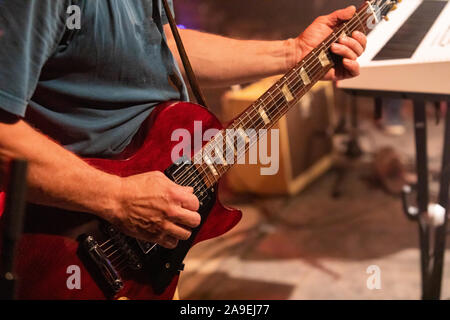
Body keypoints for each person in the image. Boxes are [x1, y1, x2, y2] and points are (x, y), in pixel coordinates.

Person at [0, 1, 366, 250]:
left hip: (143, 244)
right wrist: (116, 198)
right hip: (72, 243)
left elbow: (159, 44)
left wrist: (291, 52)